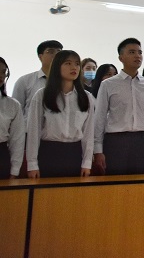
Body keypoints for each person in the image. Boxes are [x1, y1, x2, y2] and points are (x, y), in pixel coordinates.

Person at [93, 38, 144, 175]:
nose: (137, 56)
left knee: (140, 183)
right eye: (132, 52)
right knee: (115, 183)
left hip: (141, 140)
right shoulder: (108, 84)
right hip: (115, 141)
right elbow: (99, 117)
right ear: (121, 57)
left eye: (140, 52)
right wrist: (98, 150)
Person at [26, 50, 94, 178]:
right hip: (49, 152)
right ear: (57, 66)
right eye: (68, 63)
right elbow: (34, 131)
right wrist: (32, 164)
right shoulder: (42, 95)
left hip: (75, 153)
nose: (74, 67)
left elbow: (88, 133)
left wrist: (87, 163)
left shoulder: (86, 97)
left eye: (77, 64)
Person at [12, 40, 63, 117]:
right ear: (40, 57)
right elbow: (15, 111)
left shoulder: (68, 82)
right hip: (30, 124)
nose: (56, 55)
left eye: (59, 52)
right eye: (51, 52)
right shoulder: (24, 81)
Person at [0, 56, 24, 179]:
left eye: (3, 72)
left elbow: (17, 140)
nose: (0, 75)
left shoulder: (12, 105)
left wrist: (14, 170)